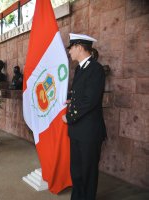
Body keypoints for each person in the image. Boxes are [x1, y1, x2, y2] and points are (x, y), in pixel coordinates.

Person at [62, 33, 106, 200]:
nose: (70, 52)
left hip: (89, 131)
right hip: (78, 130)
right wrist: (71, 100)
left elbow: (90, 101)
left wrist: (69, 117)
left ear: (79, 47)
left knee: (88, 172)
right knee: (77, 170)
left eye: (71, 48)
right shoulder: (80, 68)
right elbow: (82, 95)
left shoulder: (96, 69)